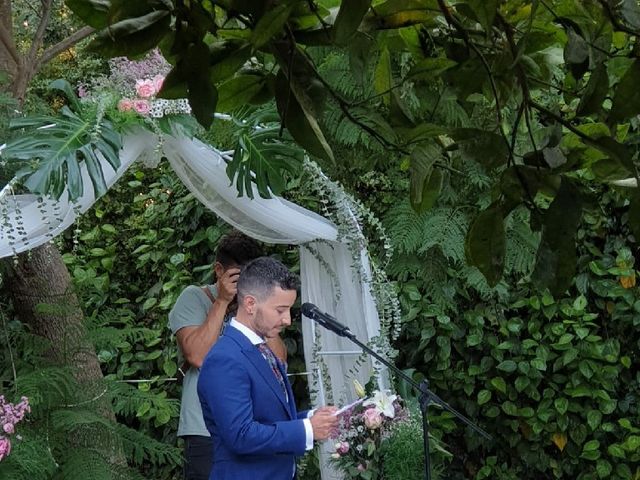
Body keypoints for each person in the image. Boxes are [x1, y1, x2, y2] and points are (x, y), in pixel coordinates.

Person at [197, 256, 338, 480]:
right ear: (251, 304)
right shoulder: (225, 359)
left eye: (289, 310)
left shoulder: (259, 348)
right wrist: (307, 429)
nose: (288, 320)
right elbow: (241, 435)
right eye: (280, 310)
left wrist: (310, 418)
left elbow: (267, 418)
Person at [169, 231, 287, 480]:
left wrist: (255, 309)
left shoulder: (254, 307)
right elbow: (198, 356)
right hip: (205, 432)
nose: (245, 286)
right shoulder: (194, 298)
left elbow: (277, 364)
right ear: (219, 270)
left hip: (256, 430)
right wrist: (222, 302)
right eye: (238, 277)